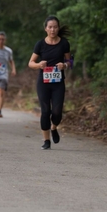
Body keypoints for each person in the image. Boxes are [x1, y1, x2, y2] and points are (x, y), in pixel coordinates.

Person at [28, 16, 71, 150]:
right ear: (45, 29)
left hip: (58, 82)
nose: (53, 30)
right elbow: (31, 63)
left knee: (57, 112)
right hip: (43, 82)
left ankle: (54, 127)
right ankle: (46, 140)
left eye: (55, 27)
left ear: (58, 28)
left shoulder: (64, 43)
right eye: (50, 27)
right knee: (45, 111)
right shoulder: (40, 44)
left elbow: (70, 61)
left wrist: (65, 65)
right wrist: (39, 65)